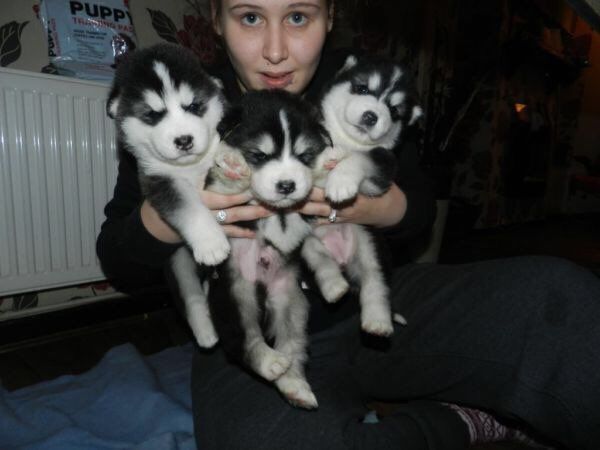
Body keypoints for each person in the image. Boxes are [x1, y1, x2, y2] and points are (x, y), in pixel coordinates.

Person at [96, 0, 600, 449]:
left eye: (298, 17)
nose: (275, 50)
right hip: (256, 327)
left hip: (379, 306)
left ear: (330, 17)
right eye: (250, 17)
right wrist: (177, 211)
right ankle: (460, 424)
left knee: (561, 296)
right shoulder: (187, 102)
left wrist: (357, 205)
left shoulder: (355, 84)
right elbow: (119, 259)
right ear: (217, 20)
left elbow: (419, 209)